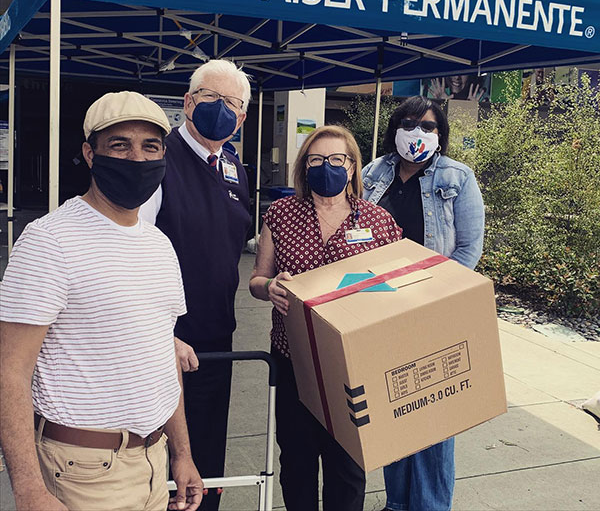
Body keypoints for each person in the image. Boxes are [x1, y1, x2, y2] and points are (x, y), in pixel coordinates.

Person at [0, 91, 203, 511]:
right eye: (119, 145)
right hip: (82, 472)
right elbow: (9, 371)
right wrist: (29, 489)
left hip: (154, 461)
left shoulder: (160, 245)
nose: (137, 158)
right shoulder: (48, 241)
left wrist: (182, 454)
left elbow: (162, 355)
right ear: (90, 155)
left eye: (151, 147)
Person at [249, 125, 402, 511]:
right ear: (304, 167)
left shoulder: (378, 221)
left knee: (348, 466)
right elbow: (256, 279)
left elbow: (399, 286)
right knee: (297, 461)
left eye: (337, 160)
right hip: (294, 358)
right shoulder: (282, 213)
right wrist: (270, 287)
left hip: (354, 363)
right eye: (316, 160)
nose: (327, 167)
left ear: (352, 167)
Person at [362, 95, 485, 511]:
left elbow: (469, 247)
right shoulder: (373, 172)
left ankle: (430, 505)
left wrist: (436, 293)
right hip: (381, 309)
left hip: (433, 310)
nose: (419, 132)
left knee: (434, 411)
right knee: (393, 408)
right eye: (411, 123)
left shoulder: (458, 176)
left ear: (440, 133)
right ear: (395, 127)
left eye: (429, 126)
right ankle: (397, 503)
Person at [140, 59, 252, 511]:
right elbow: (133, 251)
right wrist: (160, 334)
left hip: (215, 340)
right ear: (188, 101)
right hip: (165, 343)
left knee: (207, 461)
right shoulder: (157, 160)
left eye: (231, 103)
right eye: (210, 97)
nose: (220, 109)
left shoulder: (233, 167)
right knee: (164, 465)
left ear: (242, 118)